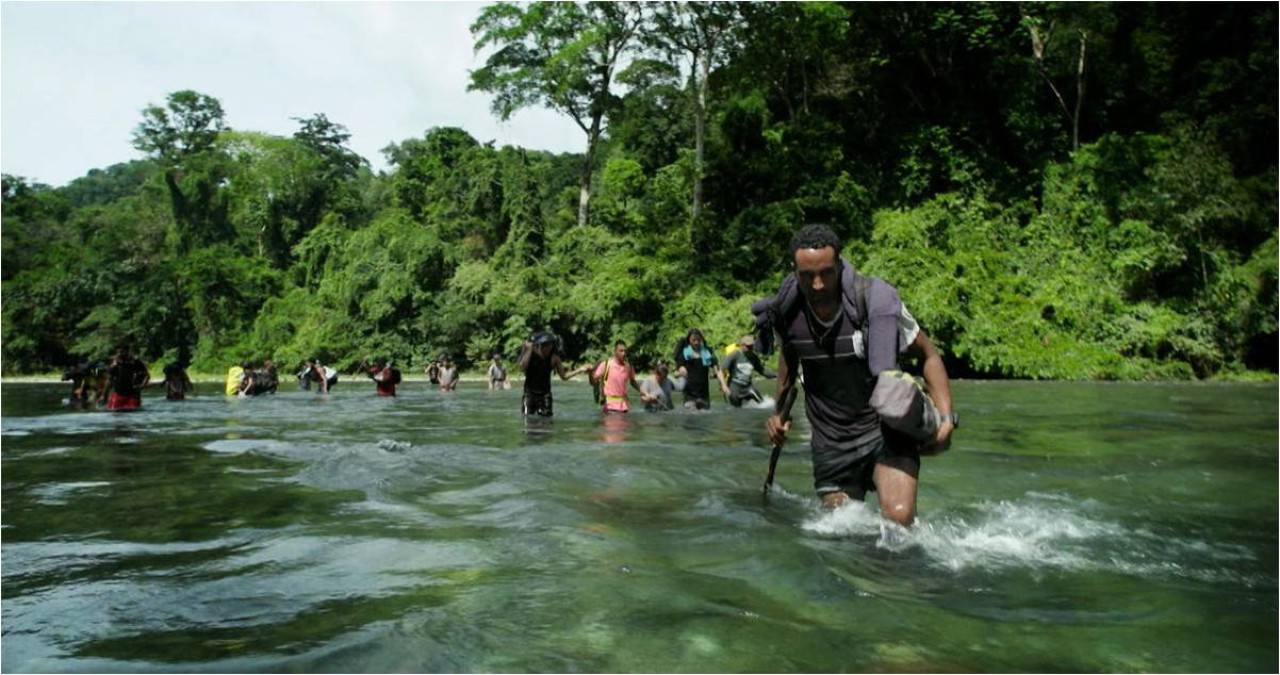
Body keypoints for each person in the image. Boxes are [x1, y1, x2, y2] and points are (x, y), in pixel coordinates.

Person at [761, 224, 955, 526]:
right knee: (842, 531)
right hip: (831, 441)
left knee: (899, 521)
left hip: (885, 431)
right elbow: (789, 356)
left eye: (826, 272)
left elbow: (928, 354)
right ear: (794, 271)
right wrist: (777, 414)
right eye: (807, 276)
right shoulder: (788, 312)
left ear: (839, 264)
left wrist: (946, 418)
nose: (817, 285)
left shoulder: (873, 303)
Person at [517, 332, 590, 416]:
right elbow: (522, 368)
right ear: (540, 346)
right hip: (529, 394)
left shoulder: (554, 359)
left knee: (546, 420)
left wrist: (580, 370)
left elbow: (564, 376)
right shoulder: (531, 355)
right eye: (546, 346)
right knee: (527, 418)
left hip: (545, 395)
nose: (548, 349)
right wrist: (529, 349)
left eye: (550, 346)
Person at [673, 328, 729, 409]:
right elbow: (675, 373)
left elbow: (717, 369)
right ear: (689, 340)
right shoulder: (684, 354)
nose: (696, 342)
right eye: (694, 340)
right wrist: (680, 372)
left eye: (698, 340)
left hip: (704, 394)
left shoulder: (707, 352)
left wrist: (724, 385)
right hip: (690, 394)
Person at [589, 341, 647, 413]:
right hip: (610, 407)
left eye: (625, 351)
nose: (624, 353)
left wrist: (643, 393)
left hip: (624, 407)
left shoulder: (628, 366)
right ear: (615, 351)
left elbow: (633, 381)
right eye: (621, 351)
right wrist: (590, 372)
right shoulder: (606, 365)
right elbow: (593, 382)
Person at [722, 335, 776, 407]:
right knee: (736, 410)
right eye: (748, 346)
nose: (750, 348)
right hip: (734, 388)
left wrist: (776, 375)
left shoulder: (753, 357)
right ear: (742, 345)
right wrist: (723, 385)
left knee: (764, 405)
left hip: (748, 388)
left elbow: (762, 371)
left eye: (751, 346)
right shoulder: (734, 355)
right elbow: (723, 369)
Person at [101, 344, 150, 411]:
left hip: (133, 394)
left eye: (122, 352)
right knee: (114, 413)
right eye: (118, 352)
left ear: (128, 352)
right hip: (118, 393)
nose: (119, 354)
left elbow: (147, 375)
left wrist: (142, 386)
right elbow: (109, 380)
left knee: (133, 413)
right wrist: (103, 395)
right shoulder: (115, 365)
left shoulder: (135, 363)